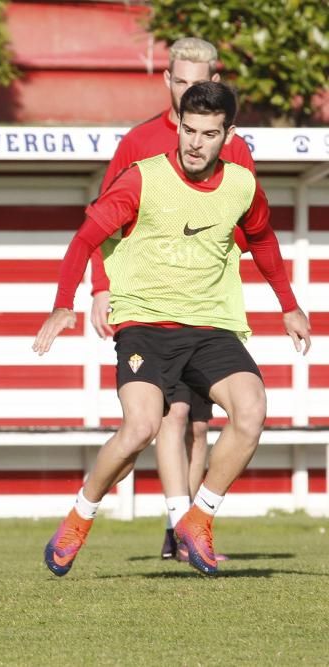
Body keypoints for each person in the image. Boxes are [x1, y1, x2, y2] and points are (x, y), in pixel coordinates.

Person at [34, 81, 311, 576]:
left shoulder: (242, 185)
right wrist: (64, 303)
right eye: (188, 130)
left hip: (211, 327)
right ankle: (80, 516)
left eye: (208, 133)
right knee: (140, 426)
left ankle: (198, 519)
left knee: (251, 411)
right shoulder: (143, 179)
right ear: (178, 126)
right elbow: (86, 238)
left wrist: (289, 306)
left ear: (229, 135)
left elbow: (263, 240)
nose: (195, 143)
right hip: (145, 323)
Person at [89, 37, 260, 561]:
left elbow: (246, 221)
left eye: (199, 81)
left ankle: (191, 528)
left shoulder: (233, 147)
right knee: (171, 417)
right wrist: (99, 287)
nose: (189, 90)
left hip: (207, 308)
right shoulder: (137, 143)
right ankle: (174, 527)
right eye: (180, 80)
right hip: (149, 307)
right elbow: (99, 220)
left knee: (206, 423)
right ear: (167, 80)